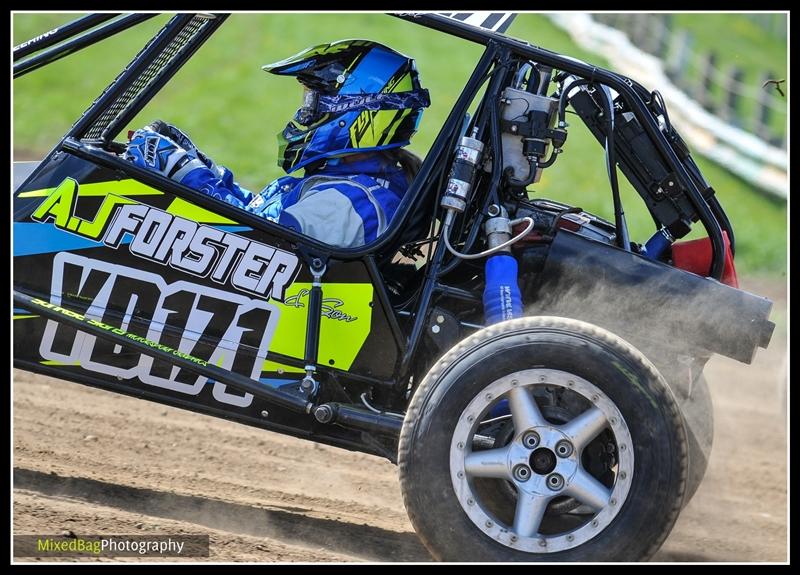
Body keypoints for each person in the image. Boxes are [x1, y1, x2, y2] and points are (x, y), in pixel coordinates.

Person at [123, 39, 430, 248]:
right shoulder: (354, 182)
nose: (304, 114)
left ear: (356, 117)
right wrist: (204, 168)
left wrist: (185, 173)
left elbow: (254, 246)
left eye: (314, 104)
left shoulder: (349, 203)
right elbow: (262, 214)